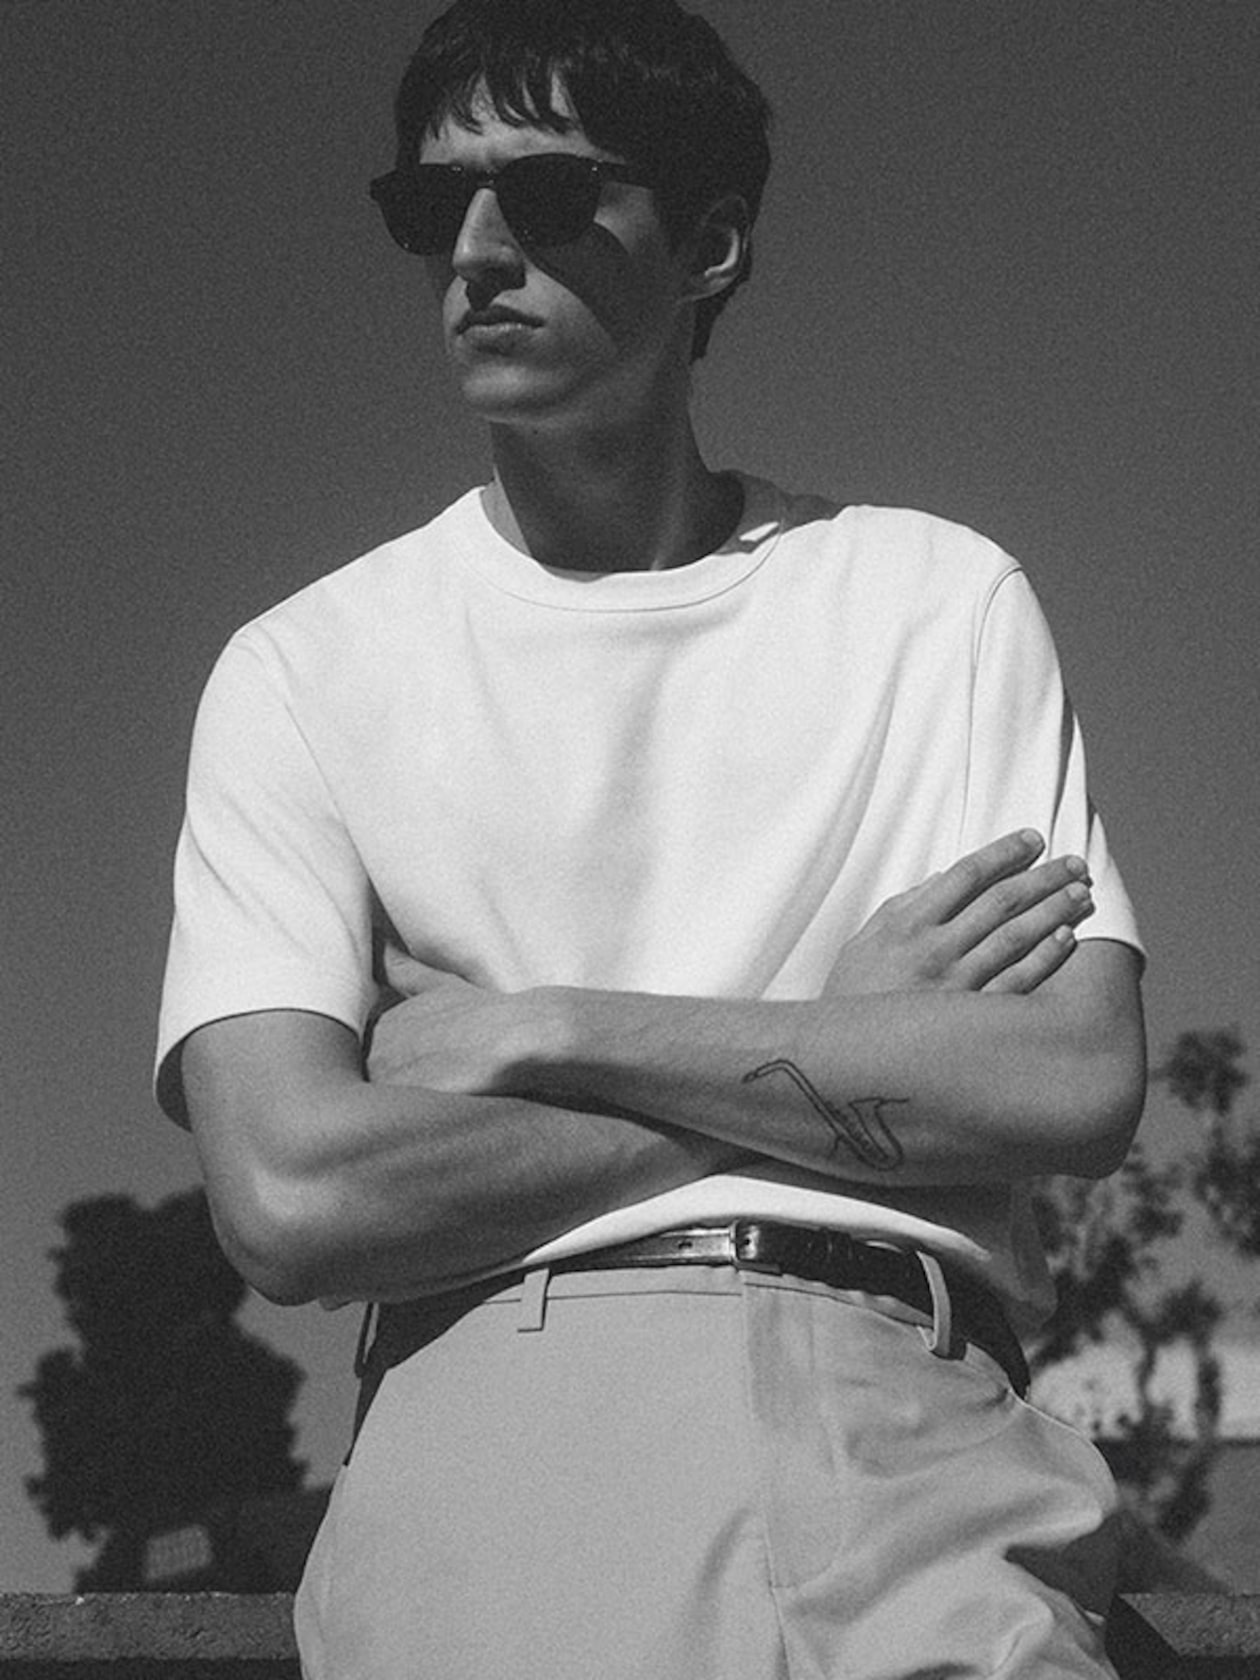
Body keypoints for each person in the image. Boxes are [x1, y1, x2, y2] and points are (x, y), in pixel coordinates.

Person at [155, 1, 1147, 1674]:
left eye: (543, 197)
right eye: (429, 208)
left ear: (707, 243)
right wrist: (838, 1052)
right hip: (495, 1434)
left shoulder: (930, 598)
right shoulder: (305, 670)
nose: (474, 250)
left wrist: (550, 1033)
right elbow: (292, 1196)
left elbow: (1068, 1084)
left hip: (905, 1425)